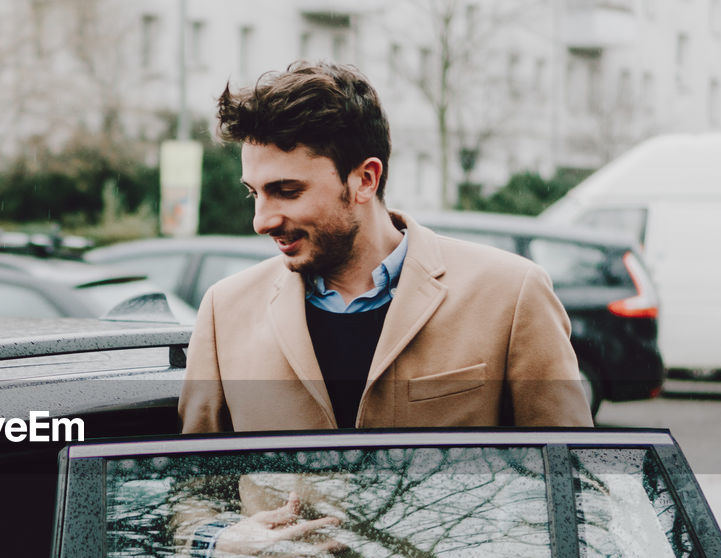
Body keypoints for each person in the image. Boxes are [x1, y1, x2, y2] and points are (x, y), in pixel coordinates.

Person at [179, 61, 594, 433]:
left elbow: (576, 485)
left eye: (286, 191)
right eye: (254, 194)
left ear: (365, 179)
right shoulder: (224, 312)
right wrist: (231, 524)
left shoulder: (511, 295)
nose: (261, 220)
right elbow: (191, 494)